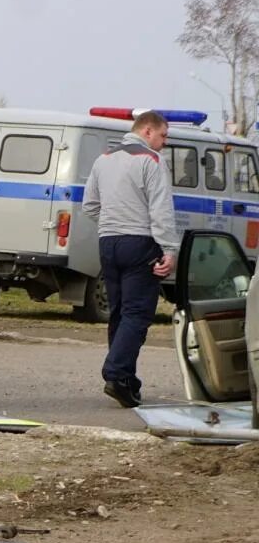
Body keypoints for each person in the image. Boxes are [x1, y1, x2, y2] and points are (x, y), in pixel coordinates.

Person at [82, 110, 178, 408]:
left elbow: (89, 206)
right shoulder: (151, 160)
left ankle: (124, 380)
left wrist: (113, 223)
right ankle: (116, 372)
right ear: (147, 131)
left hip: (108, 243)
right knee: (137, 313)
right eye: (163, 136)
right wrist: (169, 250)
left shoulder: (104, 160)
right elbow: (161, 210)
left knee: (120, 312)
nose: (164, 143)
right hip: (140, 243)